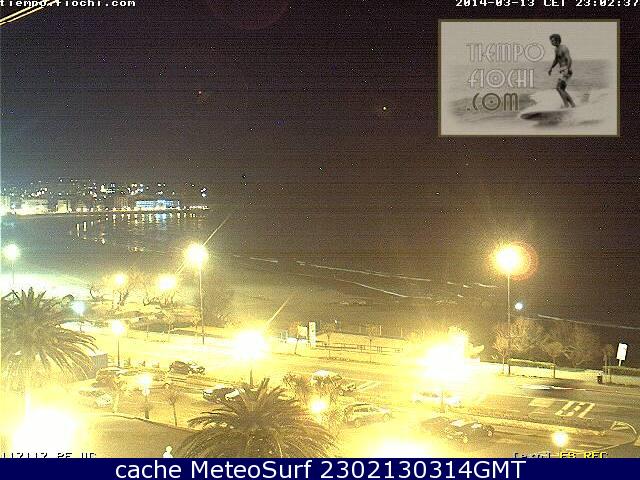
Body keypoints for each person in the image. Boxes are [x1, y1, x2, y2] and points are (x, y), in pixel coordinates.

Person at [548, 34, 576, 108]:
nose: (551, 42)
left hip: (566, 70)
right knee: (561, 89)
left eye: (552, 40)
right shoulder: (556, 49)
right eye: (551, 41)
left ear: (557, 40)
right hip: (562, 70)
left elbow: (569, 59)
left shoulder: (564, 48)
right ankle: (572, 104)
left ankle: (566, 105)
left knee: (559, 88)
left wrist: (567, 69)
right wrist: (551, 68)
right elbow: (556, 60)